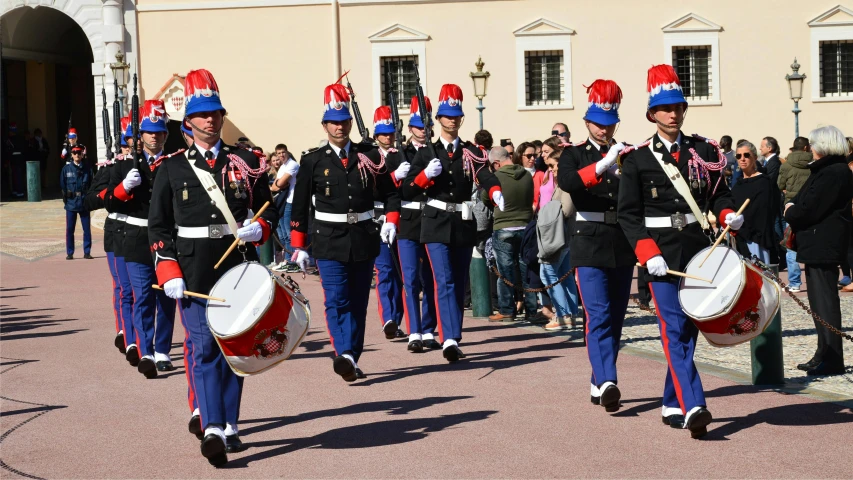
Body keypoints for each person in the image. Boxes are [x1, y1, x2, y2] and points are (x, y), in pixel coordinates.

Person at [149, 69, 276, 465]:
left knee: (235, 347)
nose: (210, 120)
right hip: (193, 271)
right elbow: (159, 226)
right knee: (204, 347)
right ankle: (214, 427)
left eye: (215, 113)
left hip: (238, 268)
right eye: (203, 114)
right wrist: (168, 271)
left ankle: (231, 423)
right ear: (188, 121)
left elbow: (266, 208)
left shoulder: (245, 162)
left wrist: (260, 229)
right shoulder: (171, 168)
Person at [618, 65, 740, 438]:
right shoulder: (637, 158)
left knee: (689, 328)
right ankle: (694, 405)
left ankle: (672, 402)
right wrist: (646, 252)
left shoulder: (703, 150)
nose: (674, 114)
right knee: (673, 328)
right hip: (661, 255)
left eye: (679, 107)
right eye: (666, 109)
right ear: (652, 114)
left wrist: (727, 213)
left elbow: (717, 193)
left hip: (699, 250)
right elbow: (628, 214)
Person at [290, 83, 399, 380]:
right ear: (325, 125)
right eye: (333, 122)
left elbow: (390, 193)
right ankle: (344, 353)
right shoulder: (313, 160)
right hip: (328, 239)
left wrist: (391, 220)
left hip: (363, 237)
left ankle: (352, 353)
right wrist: (299, 245)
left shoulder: (370, 154)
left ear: (350, 123)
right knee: (336, 299)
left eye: (344, 121)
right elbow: (300, 206)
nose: (339, 127)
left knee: (358, 300)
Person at [403, 83, 502, 362]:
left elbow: (485, 174)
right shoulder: (425, 153)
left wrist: (496, 192)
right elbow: (407, 189)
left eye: (456, 116)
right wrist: (424, 176)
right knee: (443, 279)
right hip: (434, 221)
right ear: (438, 120)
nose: (452, 120)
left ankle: (452, 335)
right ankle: (449, 338)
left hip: (462, 220)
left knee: (457, 281)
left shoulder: (471, 151)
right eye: (447, 116)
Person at [558, 79, 636, 412]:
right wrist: (603, 165)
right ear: (587, 122)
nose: (603, 130)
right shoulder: (574, 154)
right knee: (598, 314)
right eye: (597, 124)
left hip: (620, 239)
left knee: (616, 316)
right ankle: (608, 380)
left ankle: (597, 379)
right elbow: (569, 182)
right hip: (588, 239)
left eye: (609, 124)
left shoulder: (630, 154)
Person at [106, 99, 178, 379]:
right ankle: (146, 350)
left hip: (167, 239)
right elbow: (109, 202)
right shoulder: (124, 166)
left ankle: (162, 350)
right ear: (141, 135)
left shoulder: (174, 164)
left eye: (160, 132)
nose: (155, 137)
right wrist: (125, 187)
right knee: (143, 296)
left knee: (167, 298)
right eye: (150, 132)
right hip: (136, 238)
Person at [784, 125, 852, 377]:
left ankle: (832, 357)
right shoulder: (826, 171)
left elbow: (809, 208)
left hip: (823, 243)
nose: (810, 149)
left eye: (813, 144)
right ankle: (823, 352)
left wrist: (790, 210)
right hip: (815, 244)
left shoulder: (834, 172)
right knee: (817, 303)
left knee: (825, 303)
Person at [86, 114, 136, 355]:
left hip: (144, 233)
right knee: (123, 287)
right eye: (128, 141)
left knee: (145, 290)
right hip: (117, 233)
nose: (132, 146)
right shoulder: (110, 169)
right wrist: (114, 191)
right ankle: (124, 330)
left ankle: (142, 334)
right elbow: (89, 201)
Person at [399, 95, 440, 352]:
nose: (422, 132)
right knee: (411, 279)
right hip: (409, 221)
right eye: (417, 127)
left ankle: (428, 329)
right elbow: (394, 191)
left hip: (434, 219)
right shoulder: (399, 154)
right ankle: (414, 330)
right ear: (410, 129)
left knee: (432, 278)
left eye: (426, 127)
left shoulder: (438, 152)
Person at [484, 146, 535, 322]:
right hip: (526, 227)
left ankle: (507, 309)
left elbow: (486, 198)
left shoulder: (495, 177)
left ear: (496, 163)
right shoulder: (527, 175)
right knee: (526, 270)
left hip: (503, 226)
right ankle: (532, 309)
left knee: (505, 272)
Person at [371, 105, 407, 340]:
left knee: (401, 274)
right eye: (383, 134)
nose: (387, 137)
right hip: (378, 219)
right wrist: (394, 177)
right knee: (384, 271)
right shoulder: (369, 157)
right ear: (376, 136)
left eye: (390, 133)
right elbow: (371, 188)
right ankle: (388, 319)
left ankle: (397, 317)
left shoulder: (401, 155)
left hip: (401, 219)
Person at [539, 147, 579, 330]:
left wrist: (550, 213)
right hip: (565, 236)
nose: (552, 170)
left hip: (560, 235)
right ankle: (571, 314)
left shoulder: (566, 184)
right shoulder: (562, 182)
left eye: (554, 166)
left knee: (548, 274)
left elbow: (567, 209)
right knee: (565, 275)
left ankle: (563, 315)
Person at [731, 140, 779, 263]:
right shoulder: (738, 184)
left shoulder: (763, 182)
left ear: (755, 157)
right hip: (738, 238)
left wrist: (740, 225)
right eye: (738, 156)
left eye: (746, 155)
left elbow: (762, 212)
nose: (742, 159)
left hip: (756, 239)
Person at [777, 136, 811, 292]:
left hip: (791, 206)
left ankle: (795, 283)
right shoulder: (814, 162)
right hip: (811, 205)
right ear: (806, 148)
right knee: (811, 243)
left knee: (790, 244)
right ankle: (813, 282)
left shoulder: (787, 164)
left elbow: (780, 184)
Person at [60, 144, 93, 259]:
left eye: (79, 153)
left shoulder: (87, 169)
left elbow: (91, 185)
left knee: (86, 229)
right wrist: (67, 198)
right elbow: (63, 185)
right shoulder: (66, 169)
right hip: (71, 203)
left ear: (82, 154)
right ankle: (70, 253)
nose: (77, 155)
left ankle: (87, 252)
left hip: (84, 202)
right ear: (71, 155)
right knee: (70, 229)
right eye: (74, 153)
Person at [271, 143, 300, 272]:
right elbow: (275, 187)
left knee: (289, 233)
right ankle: (286, 260)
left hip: (292, 201)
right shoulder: (283, 167)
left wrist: (278, 184)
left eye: (283, 152)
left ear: (287, 152)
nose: (281, 155)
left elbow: (280, 183)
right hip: (283, 201)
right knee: (282, 234)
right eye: (278, 153)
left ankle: (292, 261)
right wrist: (278, 184)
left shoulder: (292, 165)